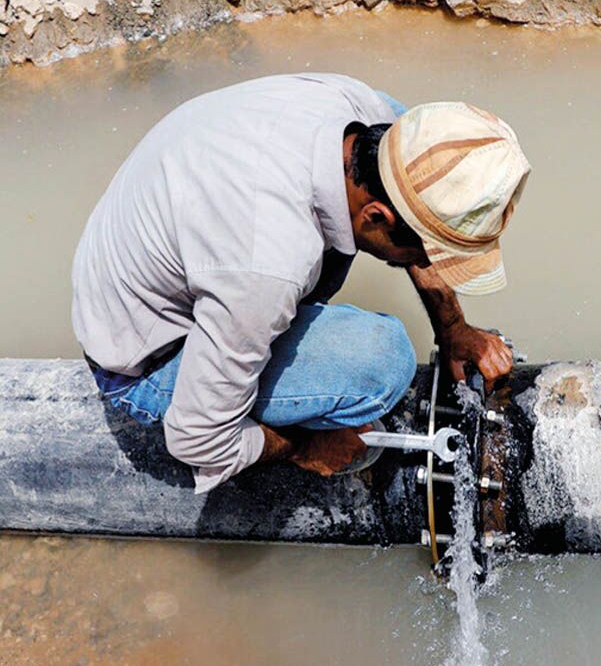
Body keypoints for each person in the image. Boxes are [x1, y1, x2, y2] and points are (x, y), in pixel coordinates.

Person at [70, 73, 530, 492]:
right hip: (147, 355)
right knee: (382, 363)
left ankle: (245, 342)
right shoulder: (265, 262)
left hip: (179, 246)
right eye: (431, 254)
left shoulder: (366, 115)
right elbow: (196, 440)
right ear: (376, 216)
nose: (435, 267)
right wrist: (305, 449)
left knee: (397, 117)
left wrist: (452, 328)